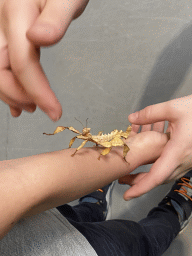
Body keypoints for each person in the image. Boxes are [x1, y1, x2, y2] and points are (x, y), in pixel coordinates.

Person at [0, 125, 191, 256]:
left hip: (36, 219)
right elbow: (18, 182)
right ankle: (173, 214)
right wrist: (135, 151)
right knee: (138, 239)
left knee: (75, 214)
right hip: (89, 251)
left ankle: (95, 205)